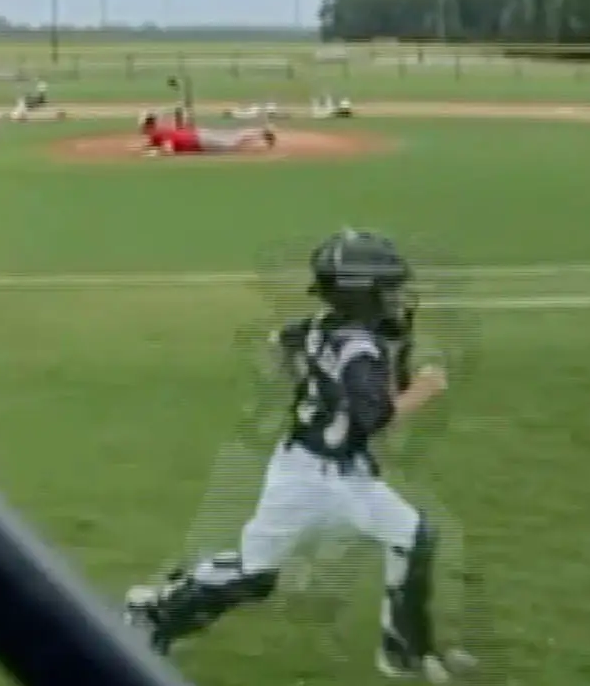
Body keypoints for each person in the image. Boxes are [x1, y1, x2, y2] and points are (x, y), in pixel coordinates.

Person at [122, 229, 476, 683]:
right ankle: (155, 614)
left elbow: (282, 342)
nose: (396, 298)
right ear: (361, 292)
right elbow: (375, 419)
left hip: (341, 471)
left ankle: (404, 650)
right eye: (387, 289)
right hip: (307, 479)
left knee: (414, 538)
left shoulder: (322, 326)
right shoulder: (358, 349)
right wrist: (424, 389)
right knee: (254, 575)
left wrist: (315, 385)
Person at [139, 111, 275, 155]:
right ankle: (261, 132)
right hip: (199, 136)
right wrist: (148, 149)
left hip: (200, 141)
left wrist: (154, 153)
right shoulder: (155, 135)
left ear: (149, 125)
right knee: (231, 139)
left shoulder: (159, 133)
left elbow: (168, 150)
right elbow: (152, 145)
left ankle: (262, 132)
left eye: (144, 126)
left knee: (231, 143)